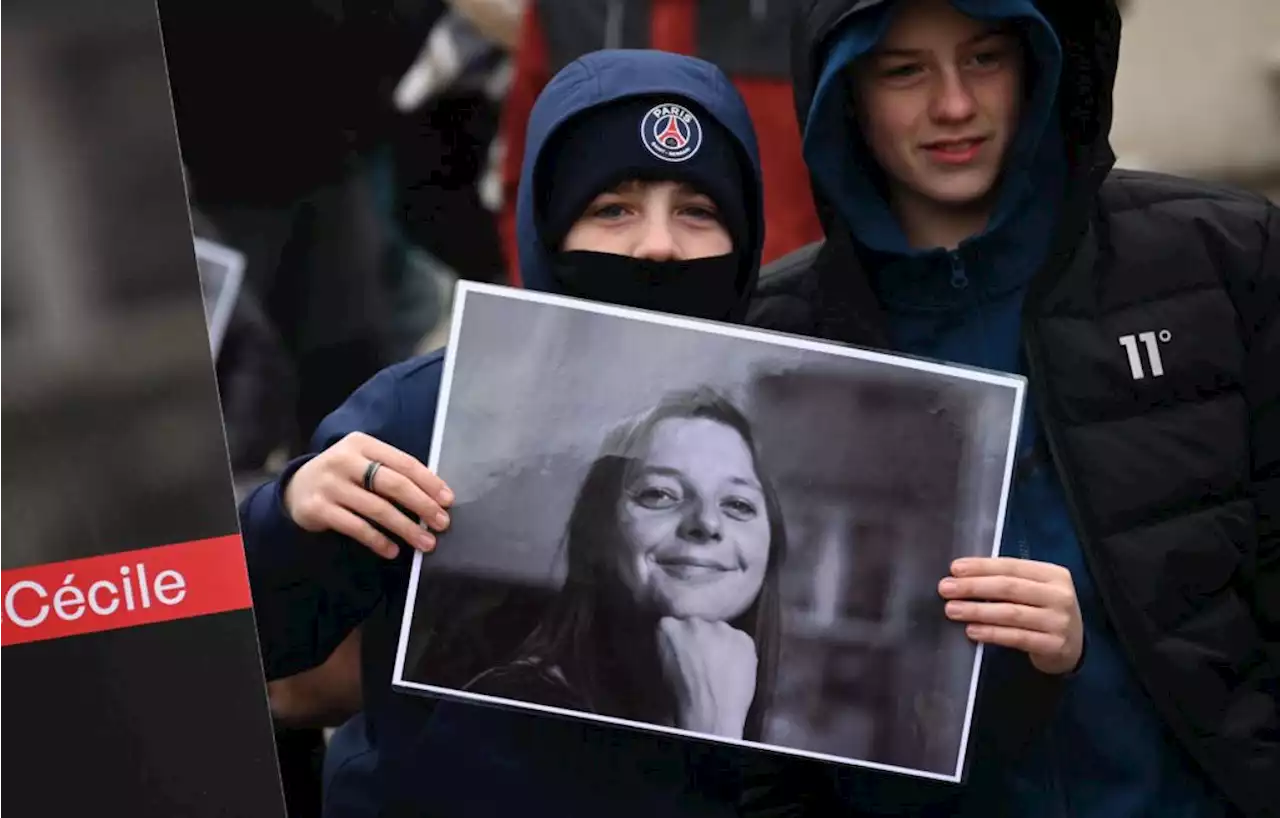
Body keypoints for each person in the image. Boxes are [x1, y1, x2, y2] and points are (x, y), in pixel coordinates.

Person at [751, 0, 1279, 816]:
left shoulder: (1223, 257)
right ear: (842, 92)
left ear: (1042, 60)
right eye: (904, 71)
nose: (954, 105)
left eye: (986, 58)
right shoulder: (775, 335)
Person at [240, 48, 785, 818]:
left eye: (698, 211)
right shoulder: (423, 412)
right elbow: (257, 650)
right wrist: (290, 513)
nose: (658, 245)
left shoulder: (773, 671)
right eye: (612, 208)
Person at [463, 388, 787, 743]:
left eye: (738, 504)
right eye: (660, 494)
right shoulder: (510, 707)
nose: (707, 523)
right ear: (598, 531)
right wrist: (712, 735)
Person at [494, 0, 825, 284]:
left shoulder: (811, 10)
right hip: (593, 319)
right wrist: (542, 305)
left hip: (790, 322)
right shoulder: (568, 10)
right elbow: (527, 179)